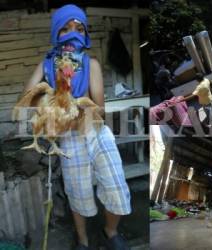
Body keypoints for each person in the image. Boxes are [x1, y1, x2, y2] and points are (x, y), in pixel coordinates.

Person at [22, 5, 131, 250]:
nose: (73, 34)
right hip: (69, 138)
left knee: (116, 185)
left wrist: (65, 114)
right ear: (55, 34)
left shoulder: (90, 64)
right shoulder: (48, 65)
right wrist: (52, 99)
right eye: (66, 29)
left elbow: (98, 109)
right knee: (78, 191)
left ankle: (110, 231)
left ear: (85, 35)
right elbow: (28, 97)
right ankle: (82, 239)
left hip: (96, 132)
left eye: (79, 29)